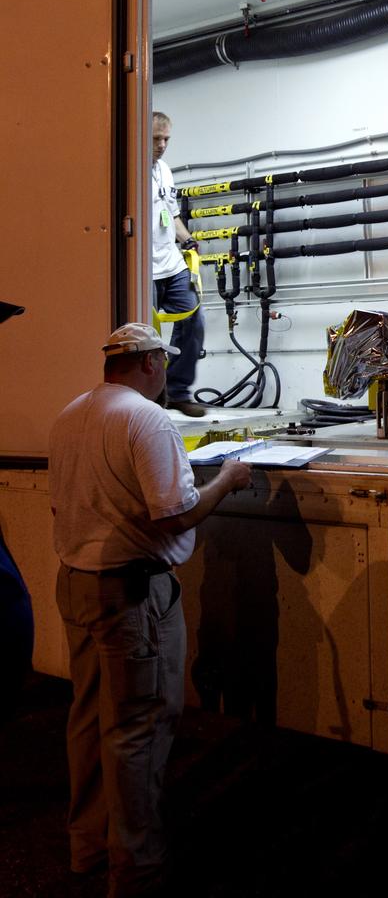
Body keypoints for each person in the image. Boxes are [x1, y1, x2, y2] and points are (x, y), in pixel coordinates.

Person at [48, 323, 252, 897]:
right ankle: (136, 870)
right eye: (165, 365)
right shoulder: (147, 419)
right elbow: (174, 516)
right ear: (152, 364)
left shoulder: (71, 413)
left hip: (78, 583)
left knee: (87, 718)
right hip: (131, 594)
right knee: (137, 727)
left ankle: (86, 847)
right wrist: (229, 480)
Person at [152, 110, 205, 417]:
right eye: (156, 139)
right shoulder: (128, 169)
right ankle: (149, 396)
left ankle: (178, 391)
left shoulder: (165, 171)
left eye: (166, 139)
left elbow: (171, 216)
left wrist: (187, 239)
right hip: (144, 267)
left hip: (171, 263)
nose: (162, 145)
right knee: (145, 334)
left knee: (194, 321)